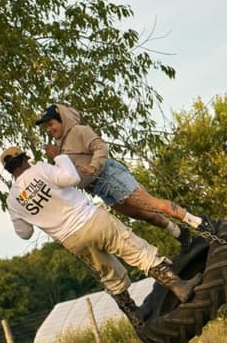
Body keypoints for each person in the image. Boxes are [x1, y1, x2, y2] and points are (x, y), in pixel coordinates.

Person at [0, 145, 202, 343]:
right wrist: (59, 157)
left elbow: (25, 233)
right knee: (138, 251)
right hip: (91, 219)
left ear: (9, 170)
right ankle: (178, 286)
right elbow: (72, 178)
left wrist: (35, 211)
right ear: (25, 159)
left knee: (109, 275)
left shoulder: (13, 200)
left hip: (72, 240)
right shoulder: (41, 169)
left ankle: (138, 320)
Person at [35, 103, 216, 249]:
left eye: (51, 124)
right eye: (46, 126)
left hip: (108, 175)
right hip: (98, 188)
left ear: (62, 119)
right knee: (142, 214)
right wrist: (57, 158)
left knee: (150, 204)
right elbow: (68, 174)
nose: (49, 129)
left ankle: (200, 223)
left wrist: (93, 166)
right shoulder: (60, 146)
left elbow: (100, 147)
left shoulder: (79, 131)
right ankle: (180, 233)